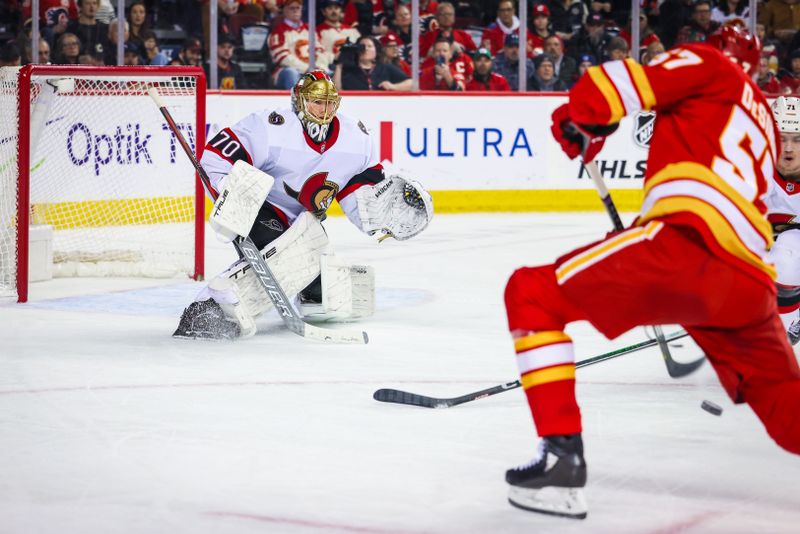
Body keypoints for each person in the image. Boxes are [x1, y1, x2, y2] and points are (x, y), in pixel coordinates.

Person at [502, 25, 800, 519]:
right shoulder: (762, 119)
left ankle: (560, 460)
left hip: (688, 247)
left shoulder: (708, 64)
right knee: (787, 410)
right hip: (749, 284)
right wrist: (590, 130)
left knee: (531, 293)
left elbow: (601, 90)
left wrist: (583, 120)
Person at [173, 70, 433, 339]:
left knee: (329, 295)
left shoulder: (356, 139)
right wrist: (231, 199)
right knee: (288, 259)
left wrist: (382, 217)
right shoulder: (270, 126)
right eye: (317, 102)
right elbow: (215, 158)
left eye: (330, 103)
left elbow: (361, 198)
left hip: (304, 226)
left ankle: (302, 294)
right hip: (261, 209)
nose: (324, 110)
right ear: (299, 101)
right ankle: (208, 309)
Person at [765, 97, 800, 344]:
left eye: (797, 139)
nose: (788, 148)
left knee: (788, 250)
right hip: (759, 260)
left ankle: (777, 340)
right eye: (782, 138)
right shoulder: (751, 169)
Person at [268, 0, 328, 89]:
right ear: (284, 10)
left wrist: (321, 67)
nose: (295, 10)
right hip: (290, 70)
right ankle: (297, 101)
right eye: (292, 8)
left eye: (298, 8)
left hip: (313, 70)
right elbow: (283, 58)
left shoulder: (309, 28)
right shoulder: (278, 31)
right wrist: (307, 69)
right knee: (291, 72)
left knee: (330, 72)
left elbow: (320, 51)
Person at [333, 35, 411, 90]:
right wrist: (339, 65)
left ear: (376, 51)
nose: (366, 49)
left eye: (369, 46)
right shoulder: (348, 69)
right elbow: (335, 91)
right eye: (362, 47)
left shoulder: (385, 68)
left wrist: (393, 87)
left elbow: (412, 83)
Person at [316, 0, 360, 68]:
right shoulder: (317, 31)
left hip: (354, 65)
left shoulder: (352, 30)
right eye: (330, 8)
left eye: (336, 8)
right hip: (331, 66)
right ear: (323, 12)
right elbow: (318, 51)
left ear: (341, 11)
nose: (334, 12)